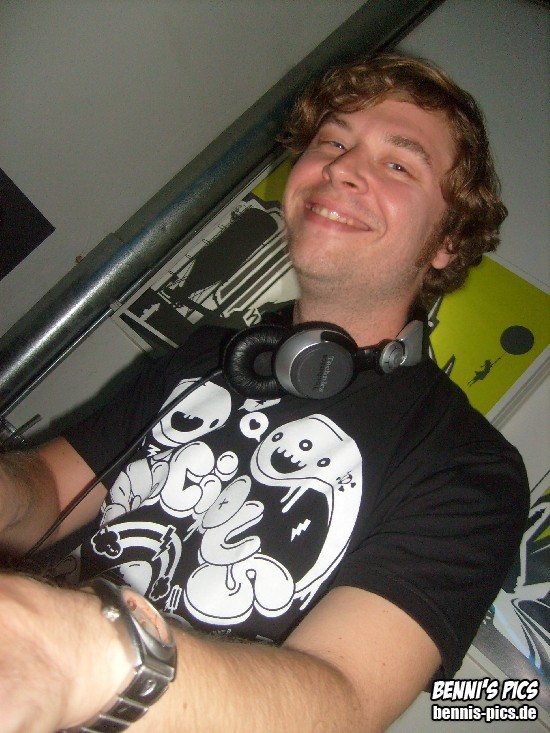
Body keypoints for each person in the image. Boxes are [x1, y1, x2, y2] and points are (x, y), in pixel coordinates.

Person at [0, 54, 529, 733]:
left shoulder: (468, 466)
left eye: (399, 164)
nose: (341, 168)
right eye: (332, 142)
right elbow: (49, 485)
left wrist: (75, 655)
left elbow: (343, 698)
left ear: (448, 243)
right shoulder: (210, 355)